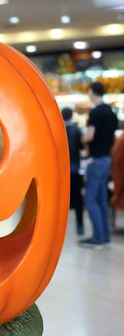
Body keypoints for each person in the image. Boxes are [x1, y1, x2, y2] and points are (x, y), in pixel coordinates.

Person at [79, 82, 118, 249]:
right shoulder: (111, 112)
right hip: (106, 159)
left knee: (90, 200)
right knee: (102, 200)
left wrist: (81, 139)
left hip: (95, 161)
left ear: (91, 91)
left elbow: (89, 136)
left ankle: (97, 238)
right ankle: (105, 237)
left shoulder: (95, 113)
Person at [61, 107, 84, 235]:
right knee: (78, 197)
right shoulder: (77, 130)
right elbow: (81, 147)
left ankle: (60, 226)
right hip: (75, 168)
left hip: (63, 170)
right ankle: (80, 225)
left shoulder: (58, 130)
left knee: (62, 199)